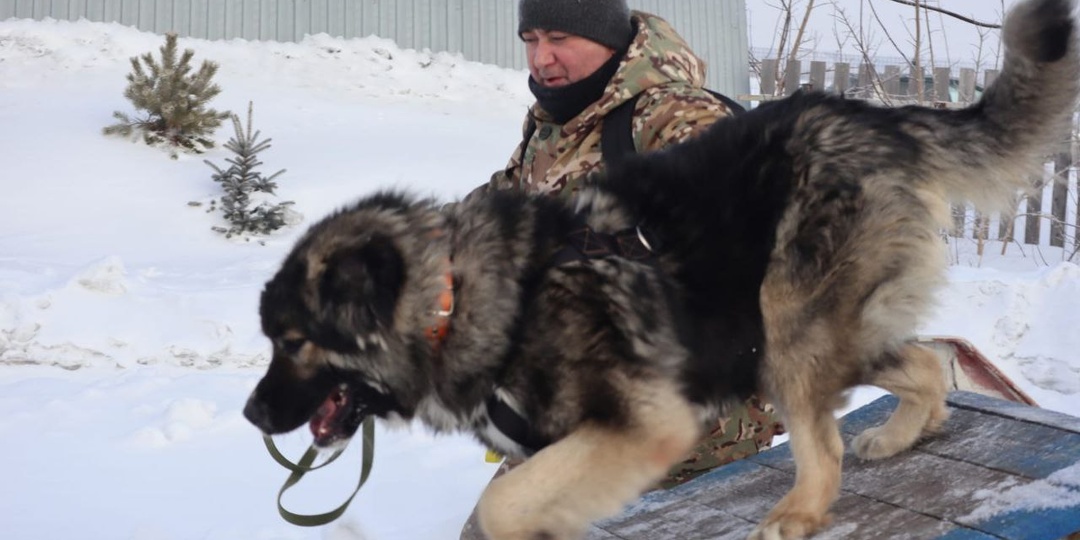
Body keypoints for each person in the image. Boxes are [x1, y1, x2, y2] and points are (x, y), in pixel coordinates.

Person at [460, 0, 783, 537]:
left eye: (560, 37)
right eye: (531, 38)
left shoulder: (676, 118)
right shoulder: (555, 127)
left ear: (608, 38)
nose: (542, 58)